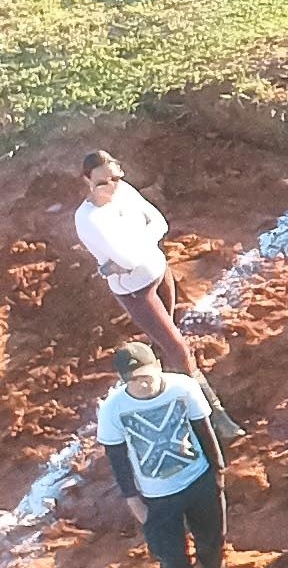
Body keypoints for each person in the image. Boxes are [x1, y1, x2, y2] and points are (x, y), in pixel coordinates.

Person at [72, 148, 231, 422]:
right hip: (136, 292)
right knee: (178, 346)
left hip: (158, 271)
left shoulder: (123, 191)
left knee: (166, 337)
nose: (111, 187)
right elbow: (128, 257)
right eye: (102, 183)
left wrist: (126, 253)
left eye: (115, 178)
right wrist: (130, 251)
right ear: (87, 182)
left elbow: (159, 222)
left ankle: (159, 387)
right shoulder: (88, 220)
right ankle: (212, 412)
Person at [98, 340, 230, 568]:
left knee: (211, 539)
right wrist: (133, 500)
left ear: (158, 367)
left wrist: (217, 473)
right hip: (157, 497)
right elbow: (117, 457)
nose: (143, 385)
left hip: (198, 480)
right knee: (172, 557)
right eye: (134, 381)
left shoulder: (183, 388)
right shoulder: (112, 409)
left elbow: (204, 430)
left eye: (147, 376)